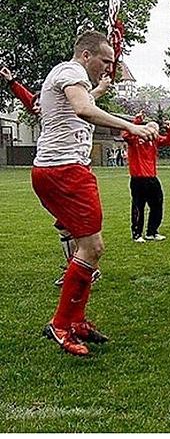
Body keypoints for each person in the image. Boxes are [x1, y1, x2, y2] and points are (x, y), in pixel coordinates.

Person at [32, 31, 159, 356]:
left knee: (91, 247)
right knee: (92, 247)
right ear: (86, 55)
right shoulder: (71, 72)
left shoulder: (70, 76)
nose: (108, 68)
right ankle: (62, 324)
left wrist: (100, 92)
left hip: (62, 170)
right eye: (105, 61)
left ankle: (75, 320)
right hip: (63, 171)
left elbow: (82, 103)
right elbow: (82, 110)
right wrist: (132, 126)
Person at [4, 65, 112, 287]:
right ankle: (79, 266)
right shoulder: (56, 109)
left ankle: (84, 267)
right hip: (59, 168)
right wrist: (12, 82)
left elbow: (84, 103)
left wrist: (101, 88)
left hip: (69, 169)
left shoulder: (70, 103)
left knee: (85, 237)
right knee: (67, 228)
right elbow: (82, 102)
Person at [123, 111, 170, 243]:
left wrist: (169, 129)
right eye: (153, 130)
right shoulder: (135, 139)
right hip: (138, 178)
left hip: (152, 178)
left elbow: (169, 142)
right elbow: (125, 134)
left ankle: (152, 232)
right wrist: (137, 120)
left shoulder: (154, 141)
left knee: (157, 204)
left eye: (157, 131)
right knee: (138, 206)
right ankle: (137, 234)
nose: (155, 133)